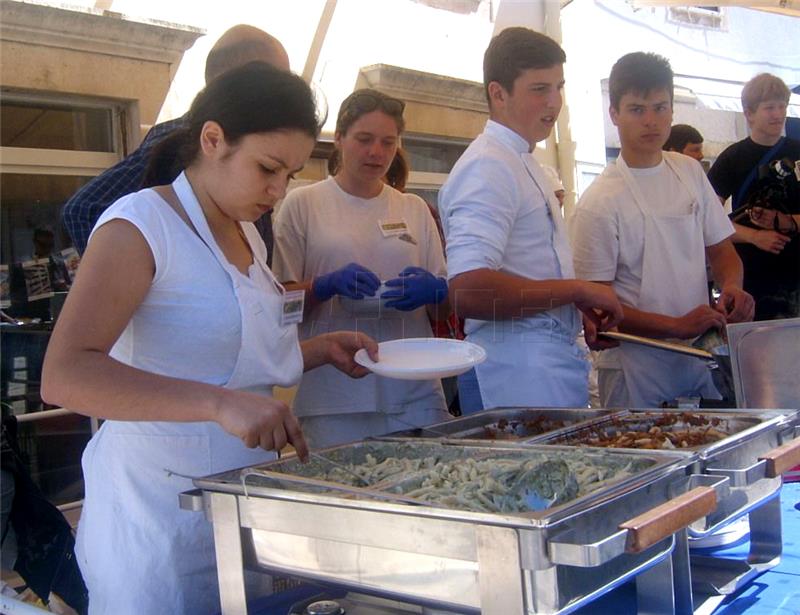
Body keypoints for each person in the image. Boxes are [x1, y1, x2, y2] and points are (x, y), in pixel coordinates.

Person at [40, 62, 378, 615]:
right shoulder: (139, 226)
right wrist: (216, 404)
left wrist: (318, 351)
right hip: (158, 519)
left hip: (239, 509)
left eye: (291, 174)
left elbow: (228, 358)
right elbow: (65, 374)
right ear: (213, 139)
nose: (278, 189)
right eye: (268, 168)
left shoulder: (247, 233)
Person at [437, 27, 623, 413]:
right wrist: (576, 291)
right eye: (540, 89)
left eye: (559, 87)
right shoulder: (488, 165)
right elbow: (469, 291)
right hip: (514, 374)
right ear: (498, 93)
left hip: (540, 367)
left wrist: (571, 308)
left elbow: (531, 267)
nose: (554, 102)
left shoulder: (523, 161)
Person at [570, 52, 754, 408]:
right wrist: (676, 325)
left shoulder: (690, 172)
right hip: (635, 367)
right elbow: (599, 307)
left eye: (660, 107)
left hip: (698, 359)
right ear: (614, 114)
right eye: (637, 109)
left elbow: (722, 252)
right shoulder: (600, 201)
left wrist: (732, 287)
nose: (651, 121)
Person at [272, 88, 451, 447]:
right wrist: (323, 286)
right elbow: (278, 305)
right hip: (334, 397)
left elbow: (446, 309)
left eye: (388, 142)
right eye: (364, 139)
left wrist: (435, 290)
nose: (376, 152)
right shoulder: (303, 204)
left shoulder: (414, 208)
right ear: (339, 138)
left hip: (413, 390)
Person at [61, 24, 290, 260]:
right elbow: (82, 209)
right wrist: (141, 282)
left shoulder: (249, 141)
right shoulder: (181, 139)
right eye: (279, 82)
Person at [707, 73, 800, 321]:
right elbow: (708, 220)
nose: (778, 114)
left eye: (782, 106)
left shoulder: (798, 150)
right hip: (753, 276)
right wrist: (754, 236)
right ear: (749, 113)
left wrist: (787, 221)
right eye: (769, 107)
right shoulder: (732, 158)